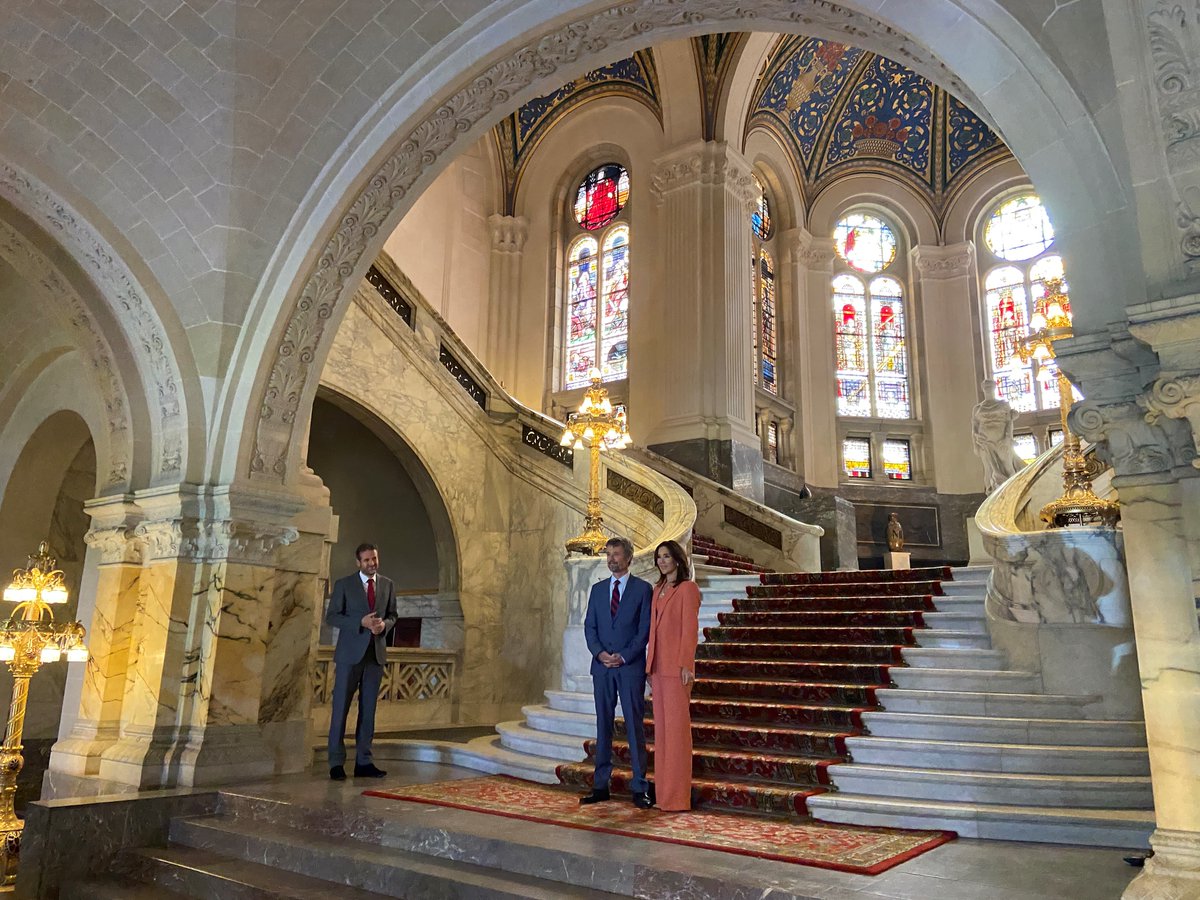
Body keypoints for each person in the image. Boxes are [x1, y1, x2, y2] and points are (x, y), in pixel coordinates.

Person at [580, 536, 653, 808]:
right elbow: (590, 628)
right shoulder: (598, 590)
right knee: (603, 725)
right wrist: (600, 654)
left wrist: (623, 656)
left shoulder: (643, 589)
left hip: (630, 668)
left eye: (616, 554)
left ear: (629, 557)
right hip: (601, 668)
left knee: (634, 727)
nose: (611, 558)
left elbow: (644, 630)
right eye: (608, 553)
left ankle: (639, 787)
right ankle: (601, 785)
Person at [325, 543, 398, 781]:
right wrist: (361, 622)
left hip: (375, 655)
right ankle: (336, 763)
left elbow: (392, 615)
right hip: (349, 656)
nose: (371, 564)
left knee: (368, 711)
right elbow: (332, 616)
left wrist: (383, 626)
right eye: (366, 560)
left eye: (374, 559)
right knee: (340, 710)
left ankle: (364, 762)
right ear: (358, 562)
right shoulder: (344, 585)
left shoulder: (387, 585)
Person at [646, 540, 701, 811]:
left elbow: (690, 630)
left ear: (677, 559)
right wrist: (649, 665)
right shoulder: (658, 590)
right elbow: (652, 632)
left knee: (677, 735)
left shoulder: (688, 589)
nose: (662, 561)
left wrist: (686, 665)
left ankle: (678, 799)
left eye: (667, 556)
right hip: (657, 669)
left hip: (677, 671)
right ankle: (663, 796)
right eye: (659, 557)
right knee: (662, 736)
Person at [972, 378, 1025, 493]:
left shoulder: (1003, 404)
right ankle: (990, 495)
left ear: (994, 388)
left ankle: (1014, 494)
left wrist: (1008, 438)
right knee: (988, 470)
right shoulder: (977, 408)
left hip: (1001, 440)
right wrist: (975, 445)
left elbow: (1009, 422)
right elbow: (974, 427)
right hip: (984, 442)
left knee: (1008, 467)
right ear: (982, 389)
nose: (988, 388)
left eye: (990, 386)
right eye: (986, 387)